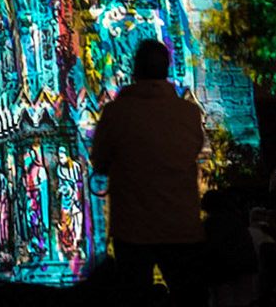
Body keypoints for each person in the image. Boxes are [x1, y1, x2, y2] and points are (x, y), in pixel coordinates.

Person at [89, 37, 207, 307]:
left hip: (134, 228)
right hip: (181, 226)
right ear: (167, 70)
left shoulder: (116, 113)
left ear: (135, 70)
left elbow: (99, 160)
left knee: (135, 297)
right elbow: (194, 148)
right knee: (188, 297)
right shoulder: (188, 113)